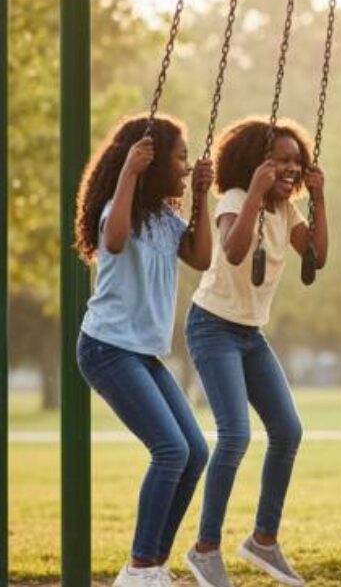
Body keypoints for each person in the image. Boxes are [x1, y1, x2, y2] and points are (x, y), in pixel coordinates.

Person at [183, 117, 328, 587]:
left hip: (250, 334)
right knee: (235, 436)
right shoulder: (235, 200)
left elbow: (317, 257)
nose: (290, 168)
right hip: (212, 327)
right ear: (256, 163)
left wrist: (320, 198)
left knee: (287, 430)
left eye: (296, 161)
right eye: (281, 160)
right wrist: (254, 194)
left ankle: (263, 540)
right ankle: (205, 549)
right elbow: (234, 249)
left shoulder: (287, 213)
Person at [74, 114, 213, 587]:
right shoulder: (120, 205)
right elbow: (111, 241)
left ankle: (151, 565)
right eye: (180, 156)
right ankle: (140, 567)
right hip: (107, 348)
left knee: (195, 452)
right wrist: (129, 172)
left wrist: (202, 199)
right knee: (170, 449)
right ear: (150, 159)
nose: (186, 165)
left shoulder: (165, 219)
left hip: (142, 354)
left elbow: (202, 256)